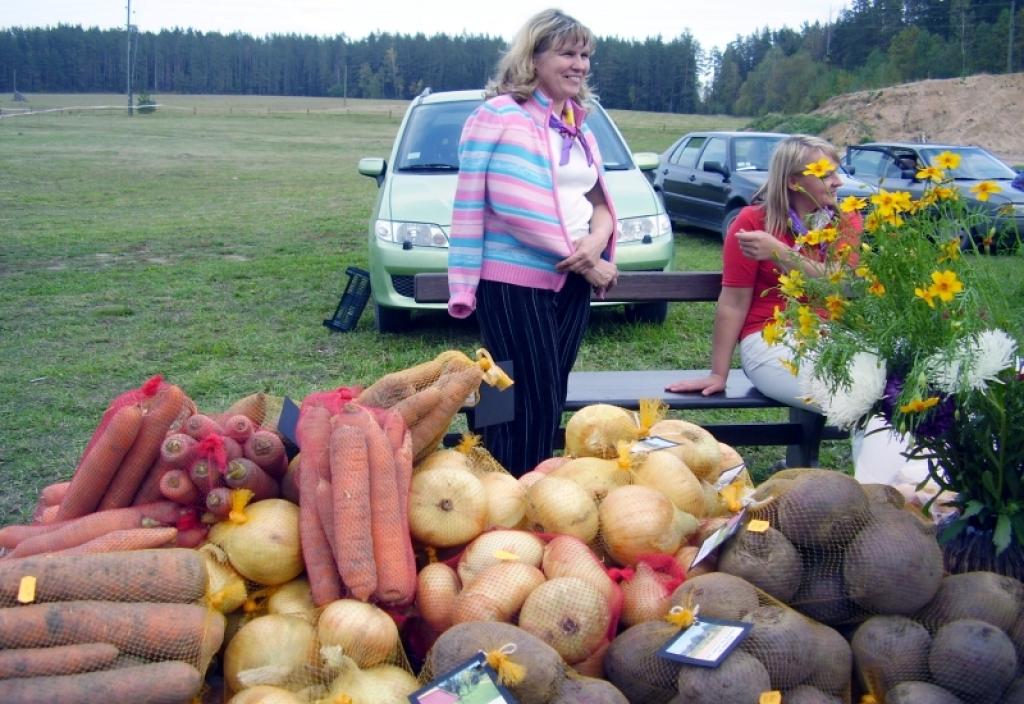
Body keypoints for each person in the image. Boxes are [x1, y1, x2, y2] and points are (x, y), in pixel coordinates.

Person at [447, 9, 618, 476]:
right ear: (534, 58)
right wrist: (588, 262)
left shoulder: (575, 123)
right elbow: (511, 205)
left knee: (546, 389)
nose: (579, 64)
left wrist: (598, 243)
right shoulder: (500, 115)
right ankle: (516, 493)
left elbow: (601, 199)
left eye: (585, 55)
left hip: (572, 280)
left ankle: (501, 486)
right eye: (567, 53)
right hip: (513, 283)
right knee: (521, 393)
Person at [666, 135, 860, 412]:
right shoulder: (753, 222)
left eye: (836, 173)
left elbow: (841, 284)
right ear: (794, 182)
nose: (838, 182)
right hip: (770, 338)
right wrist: (718, 374)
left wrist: (781, 253)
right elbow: (733, 302)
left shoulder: (847, 220)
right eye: (826, 175)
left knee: (881, 395)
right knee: (851, 397)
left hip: (832, 336)